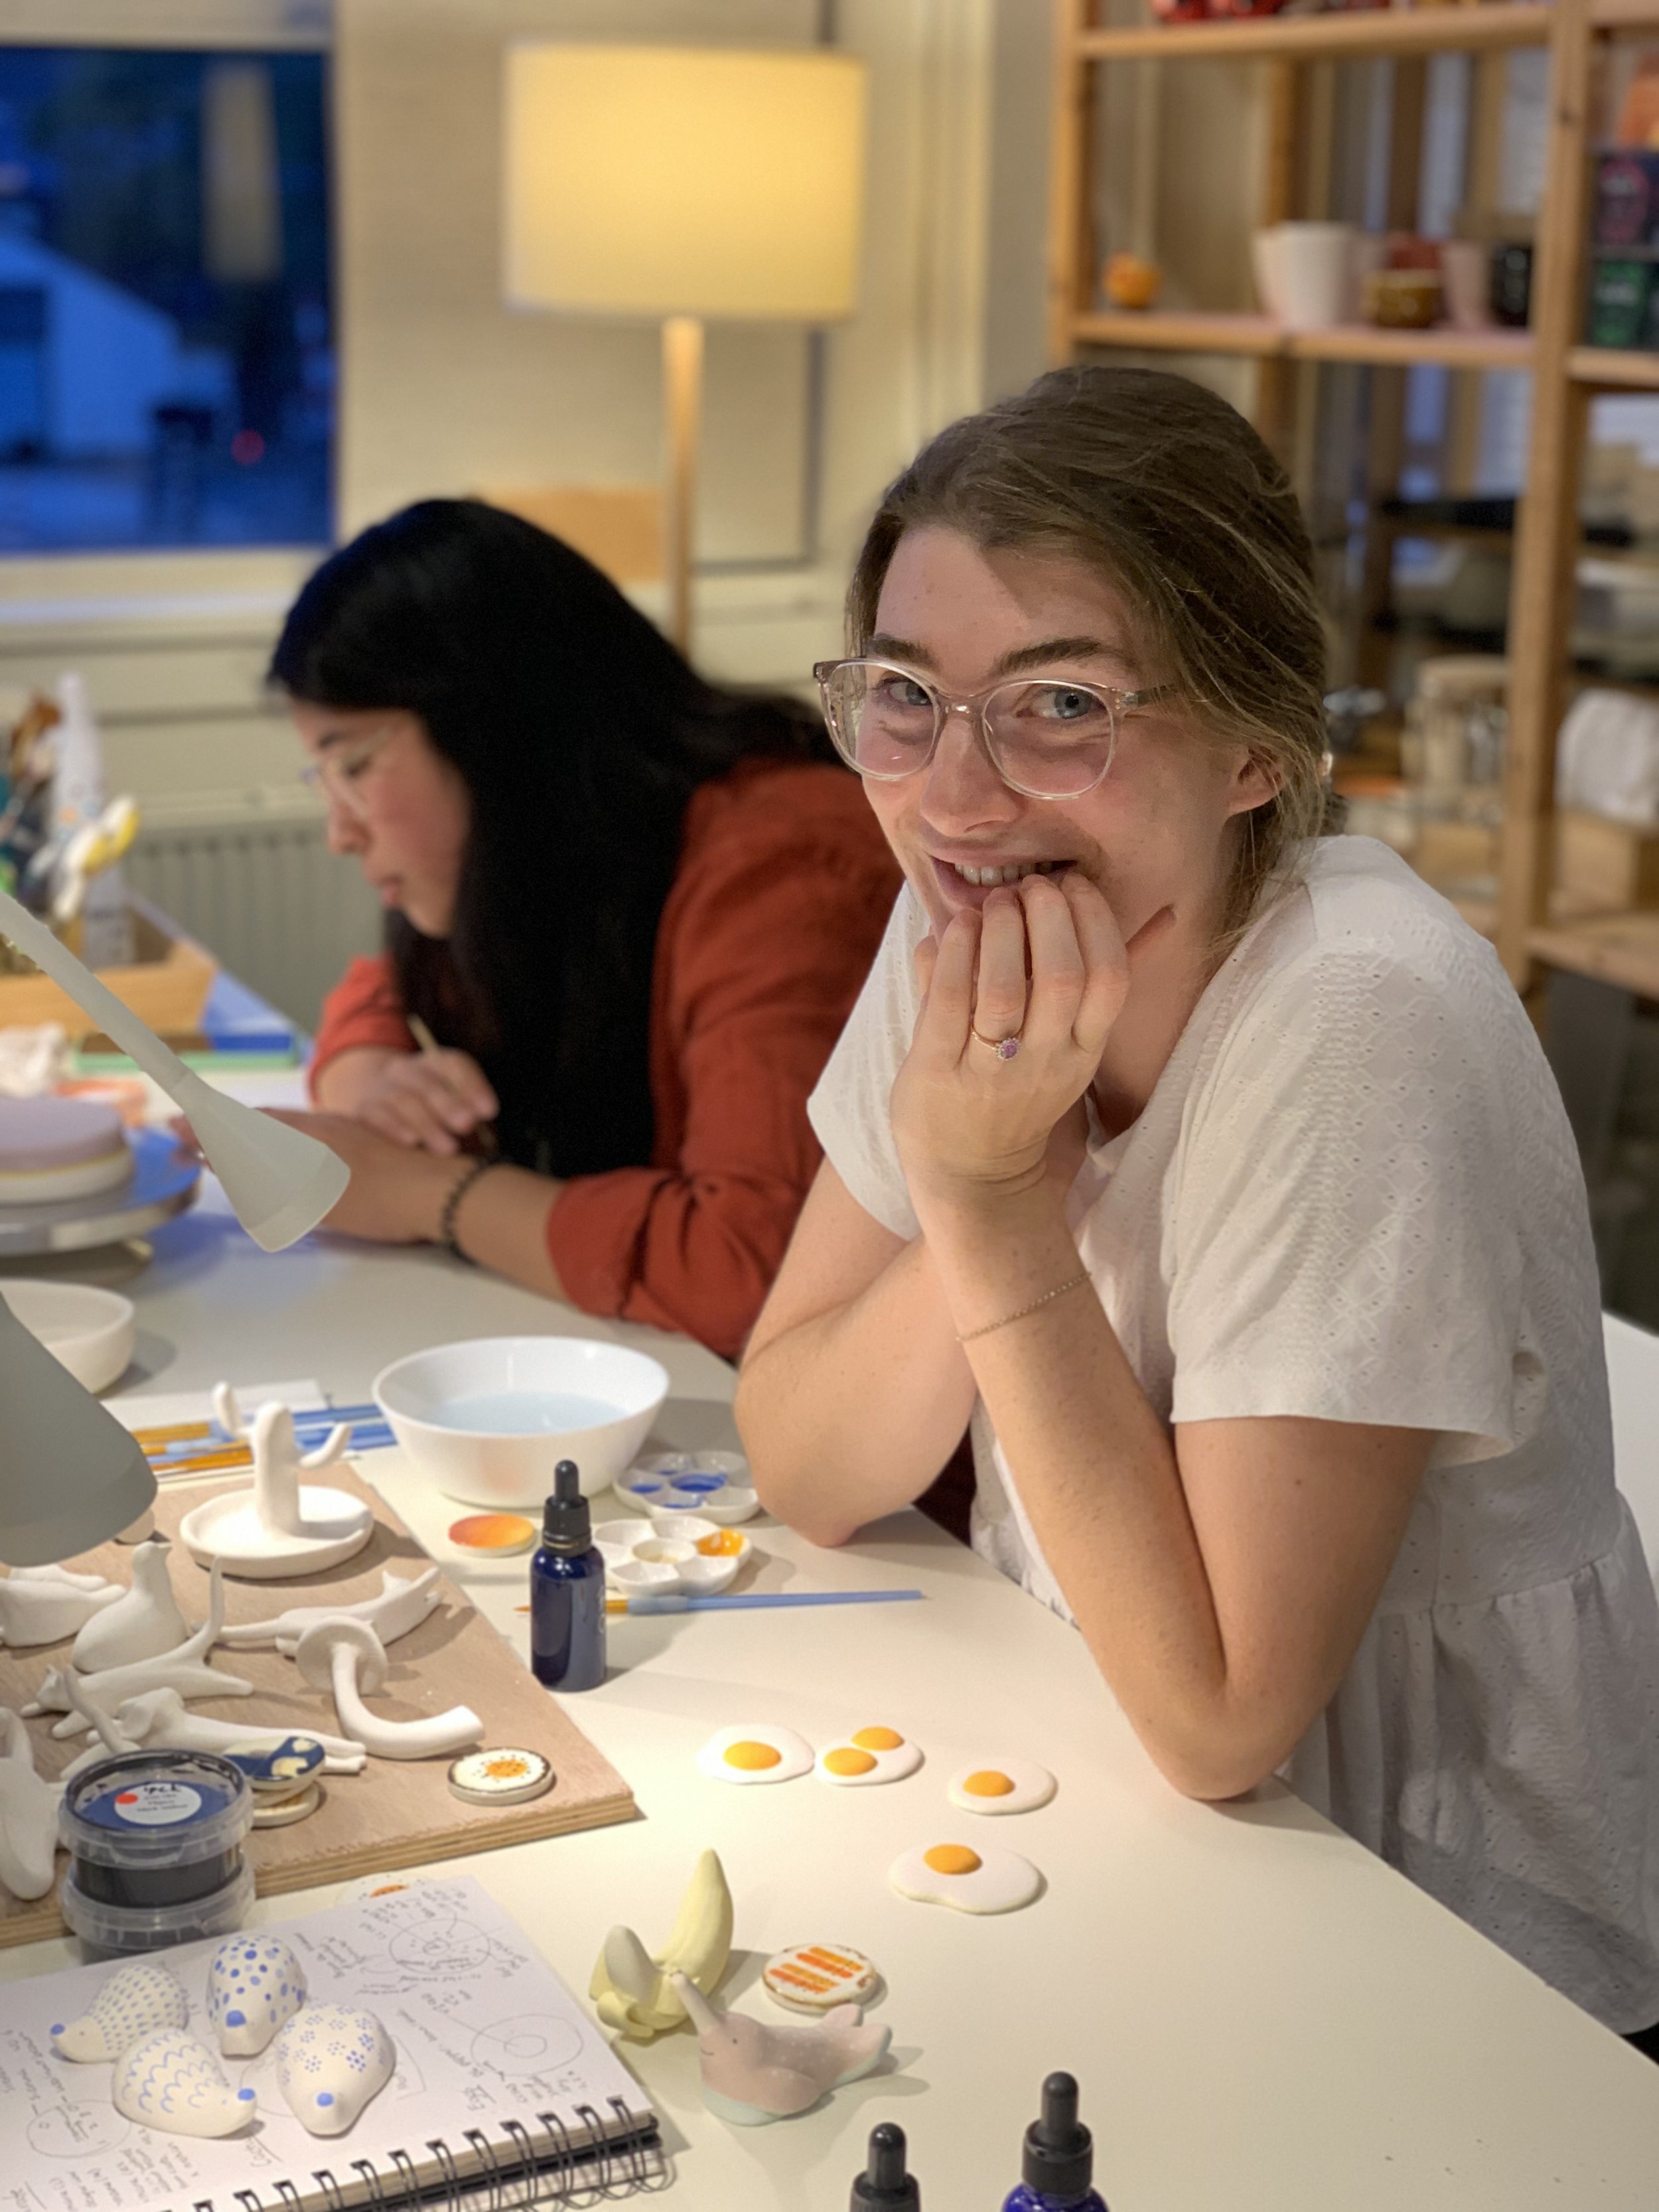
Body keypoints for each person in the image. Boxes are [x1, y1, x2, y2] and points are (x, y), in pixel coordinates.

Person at [734, 364, 1659, 2041]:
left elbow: (1225, 1712)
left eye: (1060, 705)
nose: (952, 796)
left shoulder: (1350, 1019)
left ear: (1253, 742)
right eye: (902, 697)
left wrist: (990, 1195)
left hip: (1447, 1943)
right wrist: (977, 1177)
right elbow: (802, 1461)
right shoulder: (963, 913)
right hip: (1122, 1805)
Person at [269, 498, 901, 1360]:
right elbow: (378, 984)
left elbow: (748, 1263)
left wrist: (428, 1192)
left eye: (354, 766)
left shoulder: (781, 864)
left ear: (491, 724)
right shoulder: (554, 857)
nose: (339, 832)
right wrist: (370, 1079)